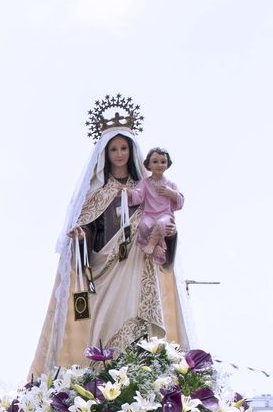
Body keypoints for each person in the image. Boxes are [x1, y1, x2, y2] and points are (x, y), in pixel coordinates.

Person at [29, 101, 190, 378]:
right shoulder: (97, 194)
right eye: (114, 149)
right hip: (106, 274)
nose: (119, 154)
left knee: (140, 328)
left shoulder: (145, 189)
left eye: (124, 148)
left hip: (139, 268)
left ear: (132, 151)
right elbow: (90, 230)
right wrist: (81, 236)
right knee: (103, 325)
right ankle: (104, 379)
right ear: (105, 153)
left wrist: (170, 235)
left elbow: (165, 218)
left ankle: (140, 379)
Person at [127, 147, 183, 266]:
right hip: (149, 214)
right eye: (155, 161)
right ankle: (155, 246)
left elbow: (180, 201)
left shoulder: (171, 184)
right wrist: (129, 193)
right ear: (149, 164)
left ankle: (152, 244)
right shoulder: (145, 183)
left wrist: (171, 193)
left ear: (168, 164)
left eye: (163, 162)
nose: (159, 165)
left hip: (165, 215)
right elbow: (138, 195)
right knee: (143, 225)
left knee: (162, 224)